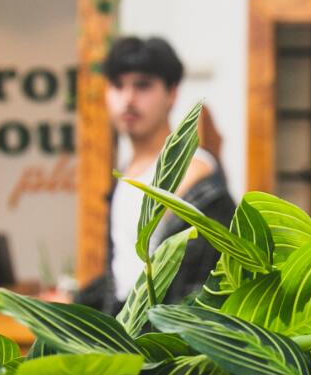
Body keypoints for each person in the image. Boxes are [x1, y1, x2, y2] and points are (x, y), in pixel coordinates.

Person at [70, 35, 235, 314]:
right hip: (128, 335)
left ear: (172, 93)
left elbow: (208, 286)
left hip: (170, 343)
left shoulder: (193, 175)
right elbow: (123, 277)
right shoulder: (124, 174)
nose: (128, 99)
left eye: (143, 86)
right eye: (118, 85)